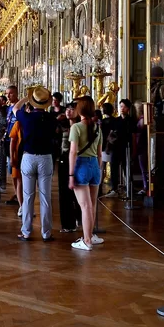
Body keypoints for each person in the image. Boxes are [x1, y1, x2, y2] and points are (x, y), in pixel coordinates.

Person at [14, 87, 56, 241]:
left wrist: (27, 97)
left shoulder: (26, 117)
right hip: (45, 158)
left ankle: (26, 231)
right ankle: (46, 233)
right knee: (45, 198)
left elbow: (15, 108)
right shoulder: (51, 118)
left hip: (29, 158)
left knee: (28, 197)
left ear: (33, 102)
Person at [68, 96, 104, 250]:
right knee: (92, 204)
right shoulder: (97, 128)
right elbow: (100, 153)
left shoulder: (76, 127)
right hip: (95, 165)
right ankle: (90, 235)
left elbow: (73, 152)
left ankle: (87, 240)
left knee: (84, 206)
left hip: (81, 165)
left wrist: (70, 175)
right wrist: (98, 168)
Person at [57, 101, 82, 233]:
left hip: (77, 160)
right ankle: (68, 223)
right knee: (64, 192)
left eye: (72, 109)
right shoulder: (62, 125)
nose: (68, 111)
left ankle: (80, 218)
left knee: (78, 191)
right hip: (64, 160)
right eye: (67, 109)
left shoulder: (80, 127)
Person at [4, 85, 22, 208]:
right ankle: (16, 193)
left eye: (10, 93)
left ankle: (19, 195)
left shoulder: (20, 108)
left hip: (17, 142)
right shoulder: (8, 109)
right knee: (12, 170)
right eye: (7, 94)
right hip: (8, 140)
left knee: (17, 170)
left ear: (16, 94)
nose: (8, 96)